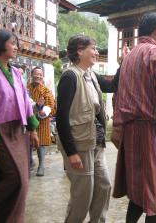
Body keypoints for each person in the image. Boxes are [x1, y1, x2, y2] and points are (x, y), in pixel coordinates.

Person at [113, 12, 156, 223]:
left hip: (131, 133)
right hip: (153, 134)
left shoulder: (129, 58)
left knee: (138, 193)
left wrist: (118, 128)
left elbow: (119, 95)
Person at [56, 35, 116, 223]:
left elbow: (113, 85)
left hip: (95, 142)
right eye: (94, 48)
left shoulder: (91, 75)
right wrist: (71, 152)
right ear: (79, 51)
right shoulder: (70, 76)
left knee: (104, 186)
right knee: (82, 196)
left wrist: (125, 62)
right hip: (79, 145)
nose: (97, 52)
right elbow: (62, 118)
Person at [0, 29, 39, 223]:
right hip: (0, 130)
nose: (17, 47)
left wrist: (33, 129)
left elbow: (25, 101)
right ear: (0, 45)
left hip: (19, 131)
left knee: (24, 179)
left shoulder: (16, 72)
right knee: (15, 177)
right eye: (13, 43)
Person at [28, 66, 56, 176]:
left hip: (42, 121)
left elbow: (50, 104)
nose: (38, 76)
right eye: (36, 74)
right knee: (28, 142)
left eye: (40, 74)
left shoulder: (46, 90)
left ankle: (41, 165)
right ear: (31, 75)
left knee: (41, 144)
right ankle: (30, 162)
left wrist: (43, 112)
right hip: (28, 119)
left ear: (42, 76)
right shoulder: (27, 88)